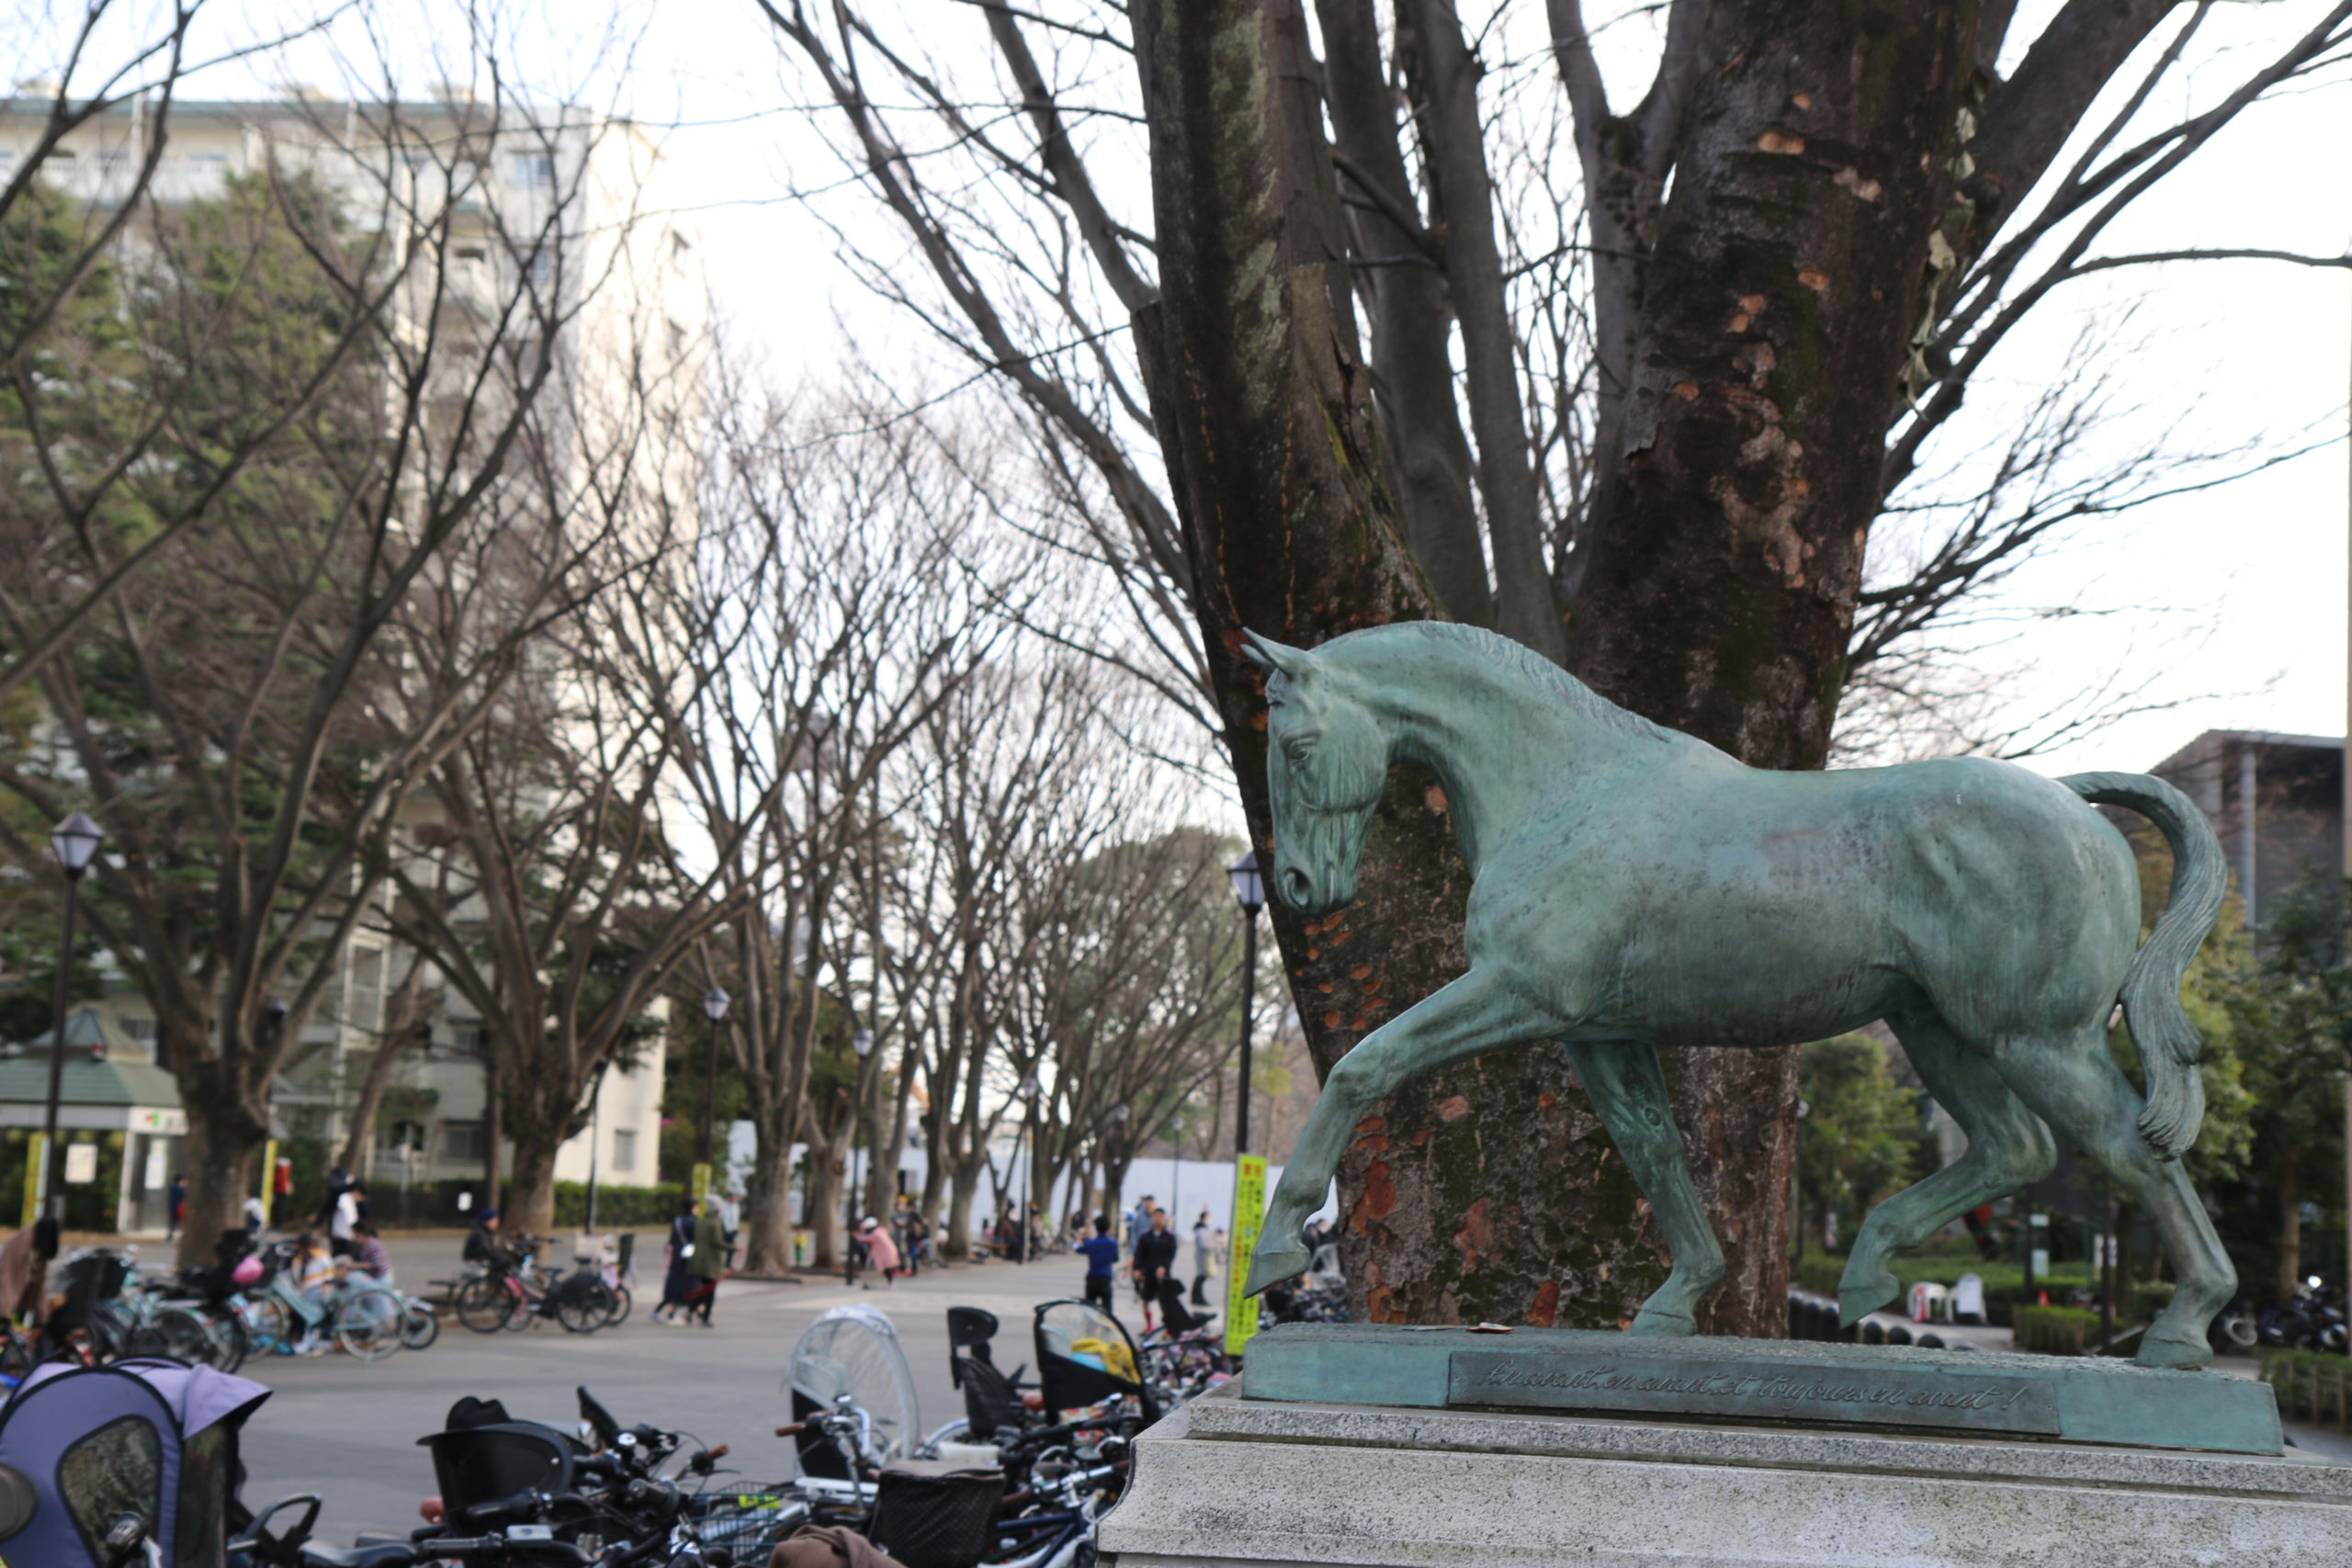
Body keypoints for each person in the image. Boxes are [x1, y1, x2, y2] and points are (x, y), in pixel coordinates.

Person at [651, 1197, 699, 1325]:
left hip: (675, 1255)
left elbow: (672, 1239)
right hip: (687, 1256)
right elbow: (695, 1240)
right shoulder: (694, 1222)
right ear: (694, 1207)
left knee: (674, 1285)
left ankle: (661, 1311)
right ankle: (673, 1314)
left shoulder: (677, 1220)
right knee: (685, 1286)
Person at [684, 1195, 731, 1326]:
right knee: (709, 1291)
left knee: (704, 1289)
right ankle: (705, 1317)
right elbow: (717, 1242)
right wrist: (733, 1248)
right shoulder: (715, 1223)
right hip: (709, 1262)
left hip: (697, 1260)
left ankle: (691, 1310)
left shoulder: (701, 1220)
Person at [1132, 1209, 1178, 1334]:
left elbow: (1171, 1255)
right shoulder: (1145, 1236)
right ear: (1152, 1218)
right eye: (1156, 1216)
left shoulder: (1169, 1237)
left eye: (1161, 1217)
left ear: (1165, 1218)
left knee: (1166, 1302)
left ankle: (1169, 1327)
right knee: (1145, 1300)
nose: (1158, 1219)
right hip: (1148, 1273)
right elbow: (1139, 1254)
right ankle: (1149, 1325)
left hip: (1163, 1275)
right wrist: (1137, 1269)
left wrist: (1164, 1267)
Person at [1075, 1215, 1120, 1313]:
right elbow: (1115, 1259)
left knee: (1089, 1308)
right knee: (1107, 1309)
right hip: (1105, 1278)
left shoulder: (1090, 1243)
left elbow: (1076, 1248)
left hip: (1092, 1278)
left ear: (1096, 1228)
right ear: (1109, 1228)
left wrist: (1080, 1236)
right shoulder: (1113, 1243)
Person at [858, 1217, 904, 1288]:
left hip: (885, 1252)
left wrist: (857, 1235)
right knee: (885, 1267)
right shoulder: (880, 1231)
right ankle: (890, 1282)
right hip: (886, 1250)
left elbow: (865, 1238)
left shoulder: (876, 1233)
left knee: (886, 1267)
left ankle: (891, 1282)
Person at [463, 1209, 513, 1274]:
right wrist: (502, 1259)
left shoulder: (485, 1232)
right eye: (494, 1221)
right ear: (487, 1221)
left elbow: (491, 1250)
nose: (496, 1223)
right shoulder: (480, 1233)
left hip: (479, 1261)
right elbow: (486, 1250)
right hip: (476, 1263)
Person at [348, 1221, 394, 1285]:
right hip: (377, 1276)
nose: (352, 1236)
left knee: (354, 1280)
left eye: (354, 1233)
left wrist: (358, 1265)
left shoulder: (372, 1245)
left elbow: (377, 1264)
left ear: (360, 1234)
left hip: (382, 1278)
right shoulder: (364, 1245)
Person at [1191, 1207, 1216, 1304]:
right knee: (1200, 1277)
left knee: (1201, 1277)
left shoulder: (1203, 1228)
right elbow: (1203, 1244)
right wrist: (1213, 1246)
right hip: (1203, 1256)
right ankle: (1198, 1298)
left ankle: (1196, 1298)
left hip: (1204, 1256)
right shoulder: (1201, 1230)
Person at [166, 1174, 187, 1241]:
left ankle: (170, 1235)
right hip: (177, 1207)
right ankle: (171, 1235)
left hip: (175, 1207)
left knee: (173, 1222)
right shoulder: (177, 1188)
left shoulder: (174, 1187)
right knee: (176, 1222)